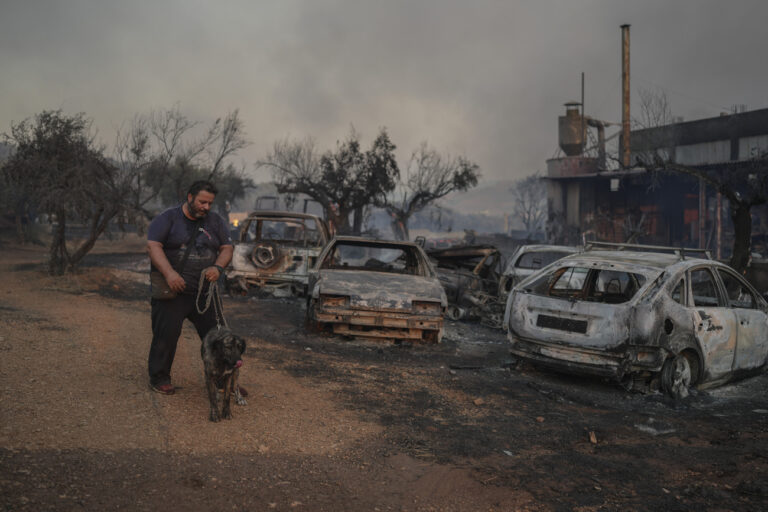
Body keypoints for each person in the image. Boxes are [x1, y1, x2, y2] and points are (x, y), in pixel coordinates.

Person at [146, 180, 235, 395]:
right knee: (166, 336)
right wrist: (169, 274)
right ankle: (159, 378)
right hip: (172, 291)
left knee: (218, 337)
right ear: (190, 197)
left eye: (210, 203)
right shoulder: (167, 218)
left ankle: (223, 380)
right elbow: (153, 246)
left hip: (205, 293)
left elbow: (227, 247)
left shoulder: (216, 221)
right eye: (202, 202)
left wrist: (218, 267)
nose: (206, 207)